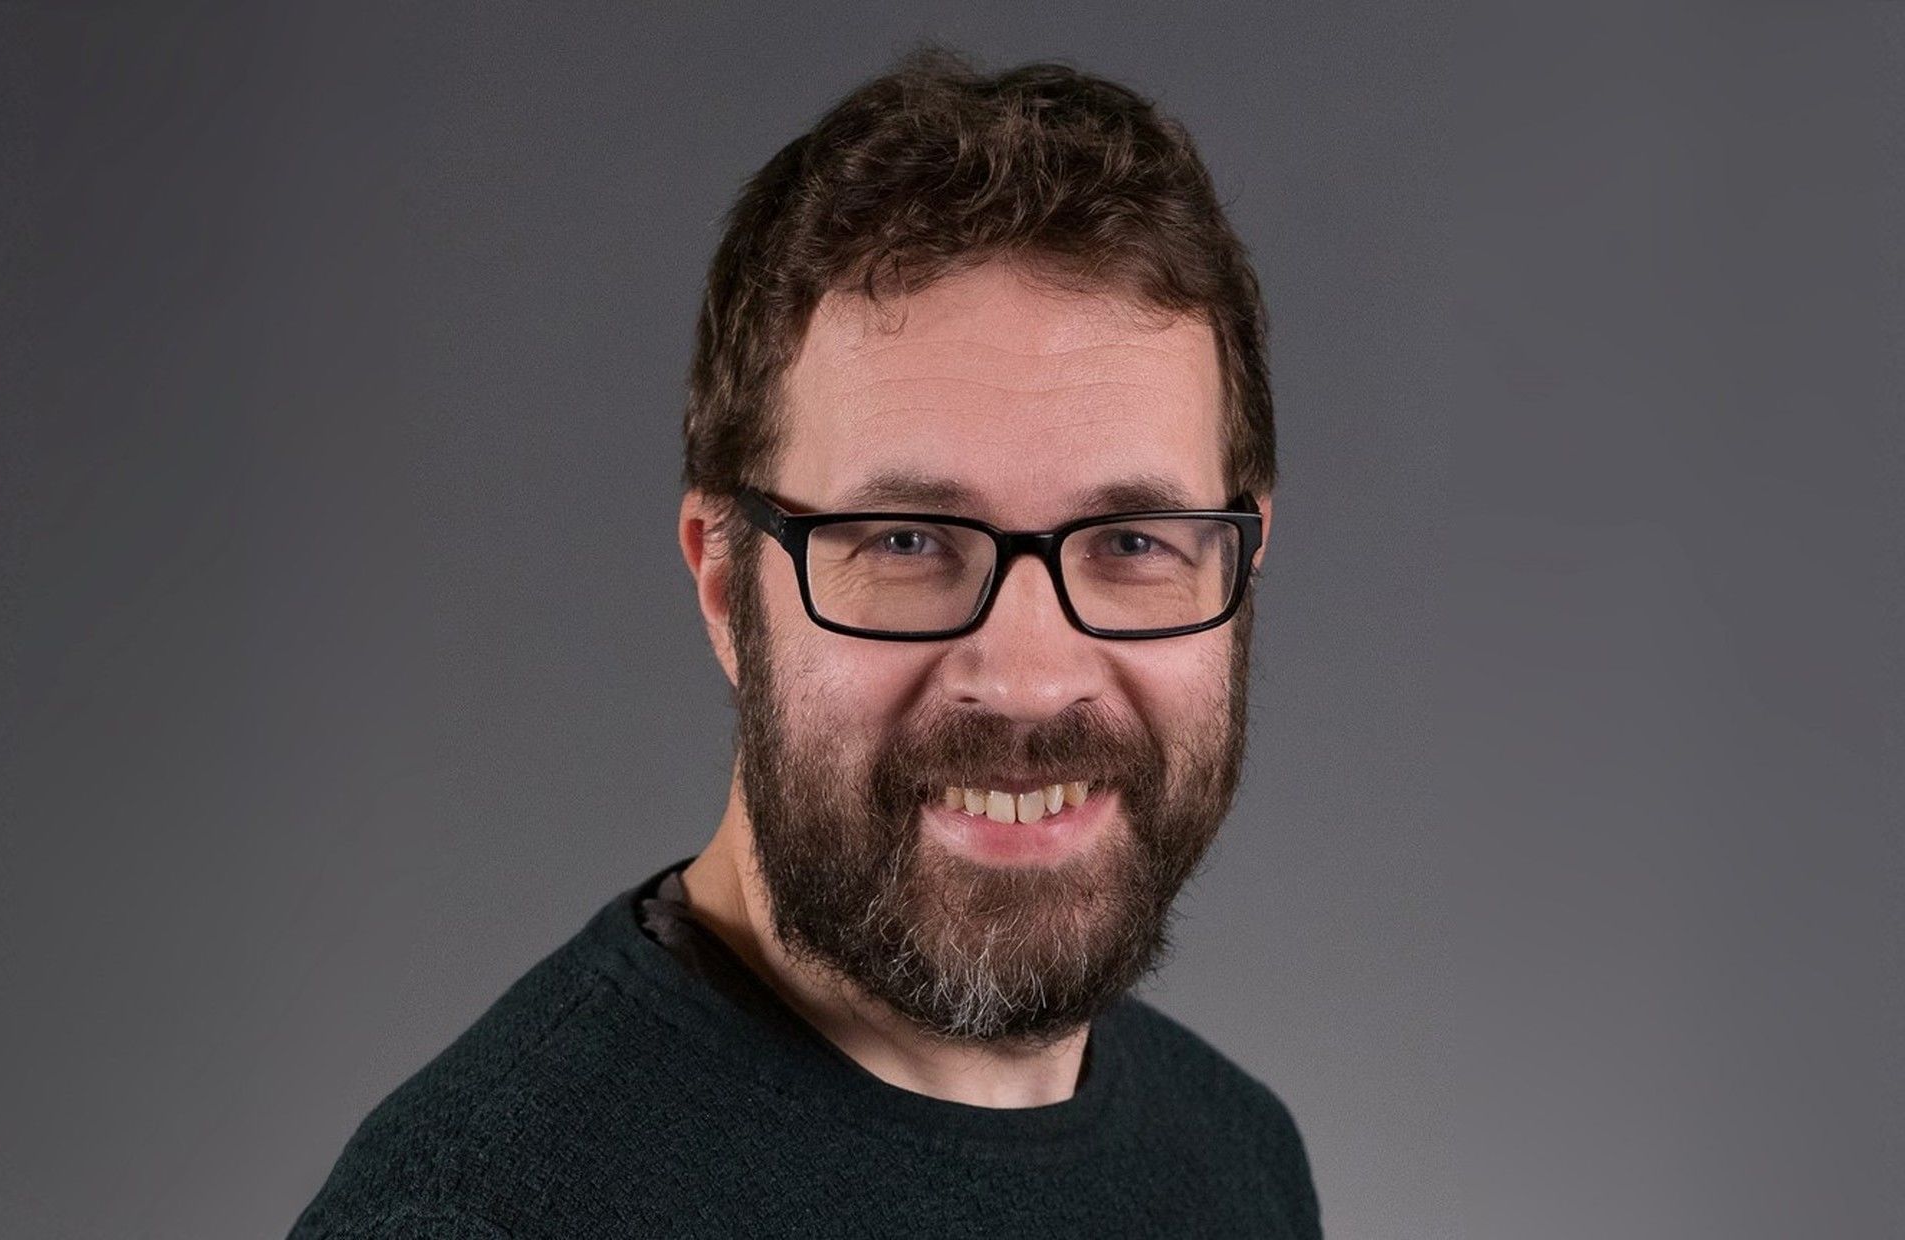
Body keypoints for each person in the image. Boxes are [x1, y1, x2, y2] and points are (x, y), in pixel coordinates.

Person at [291, 49, 1320, 1239]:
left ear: (1244, 560)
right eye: (906, 540)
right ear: (726, 582)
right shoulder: (471, 1213)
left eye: (1133, 542)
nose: (1031, 676)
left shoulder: (1236, 1153)